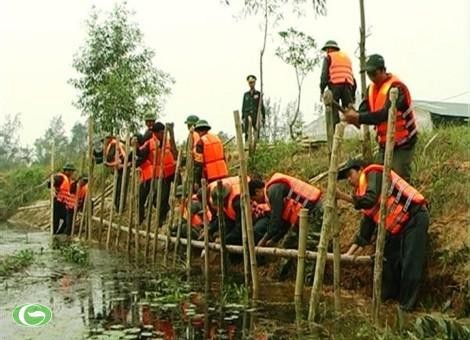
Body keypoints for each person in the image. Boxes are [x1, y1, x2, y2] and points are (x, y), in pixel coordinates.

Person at [336, 159, 429, 311]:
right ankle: (386, 301)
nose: (348, 179)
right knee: (388, 261)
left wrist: (343, 197)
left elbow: (371, 200)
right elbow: (365, 231)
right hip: (397, 228)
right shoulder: (362, 194)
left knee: (410, 263)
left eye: (350, 174)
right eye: (346, 177)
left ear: (360, 170)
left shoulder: (373, 174)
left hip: (414, 216)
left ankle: (405, 308)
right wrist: (348, 255)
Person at [342, 54, 418, 181]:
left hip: (404, 142)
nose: (371, 77)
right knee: (377, 178)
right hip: (384, 143)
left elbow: (384, 115)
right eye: (368, 73)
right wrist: (355, 115)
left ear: (383, 70)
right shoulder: (371, 89)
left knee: (400, 179)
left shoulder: (397, 88)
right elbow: (365, 108)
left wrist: (358, 118)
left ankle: (410, 200)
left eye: (373, 73)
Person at [256, 173, 323, 248]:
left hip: (313, 212)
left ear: (257, 192)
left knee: (309, 246)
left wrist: (264, 239)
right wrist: (274, 239)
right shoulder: (275, 192)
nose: (257, 203)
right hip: (302, 218)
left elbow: (276, 219)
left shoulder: (273, 191)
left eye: (254, 199)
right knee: (288, 244)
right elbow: (285, 221)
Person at [208, 177, 267, 246]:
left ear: (223, 199)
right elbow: (226, 221)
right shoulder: (226, 205)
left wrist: (224, 240)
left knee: (251, 237)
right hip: (247, 223)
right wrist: (210, 230)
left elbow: (240, 230)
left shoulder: (237, 203)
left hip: (260, 217)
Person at [320, 40, 356, 125]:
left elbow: (324, 75)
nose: (326, 52)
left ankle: (334, 135)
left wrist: (322, 90)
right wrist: (353, 94)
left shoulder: (329, 57)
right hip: (348, 85)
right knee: (349, 112)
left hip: (335, 85)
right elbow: (352, 78)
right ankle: (360, 132)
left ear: (329, 49)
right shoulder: (347, 58)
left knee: (333, 111)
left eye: (327, 50)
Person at [193, 119, 229, 187]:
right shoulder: (217, 139)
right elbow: (224, 157)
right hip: (223, 172)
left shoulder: (200, 142)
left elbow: (198, 164)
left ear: (198, 131)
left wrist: (197, 181)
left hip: (210, 175)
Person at [49, 163, 76, 235]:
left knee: (67, 220)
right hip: (58, 202)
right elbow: (50, 183)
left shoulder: (70, 180)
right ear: (65, 171)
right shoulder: (60, 177)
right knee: (56, 222)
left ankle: (59, 234)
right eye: (69, 171)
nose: (71, 172)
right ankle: (54, 235)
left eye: (72, 171)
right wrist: (53, 185)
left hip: (64, 204)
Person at [104, 135, 127, 210]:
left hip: (122, 169)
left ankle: (120, 207)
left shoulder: (117, 146)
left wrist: (109, 164)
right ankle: (117, 206)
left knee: (121, 189)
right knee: (117, 188)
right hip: (117, 169)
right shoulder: (109, 147)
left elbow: (120, 160)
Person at [241, 75, 265, 141]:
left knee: (256, 131)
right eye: (250, 82)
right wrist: (242, 117)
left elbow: (262, 106)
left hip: (255, 115)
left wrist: (263, 116)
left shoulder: (258, 94)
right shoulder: (246, 94)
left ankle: (257, 144)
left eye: (252, 82)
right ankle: (246, 145)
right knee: (247, 133)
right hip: (247, 115)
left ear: (255, 83)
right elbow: (243, 106)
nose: (251, 84)